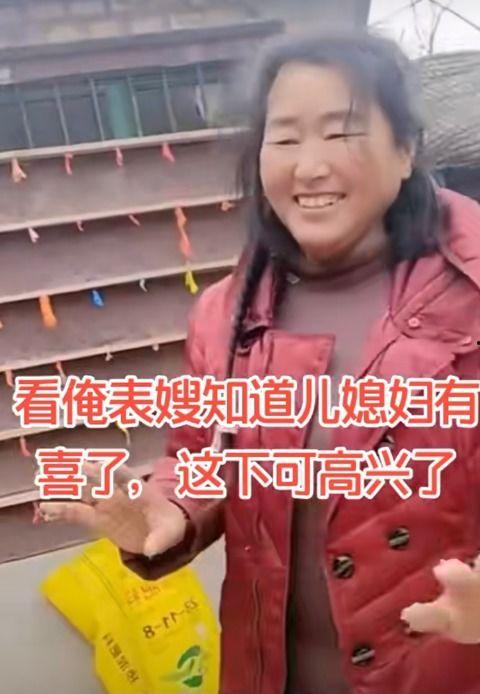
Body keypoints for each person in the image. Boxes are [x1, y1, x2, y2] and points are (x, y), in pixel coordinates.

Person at [40, 29, 480, 694]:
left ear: (405, 149)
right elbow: (204, 455)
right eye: (286, 138)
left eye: (341, 132)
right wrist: (169, 510)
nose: (310, 167)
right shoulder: (226, 314)